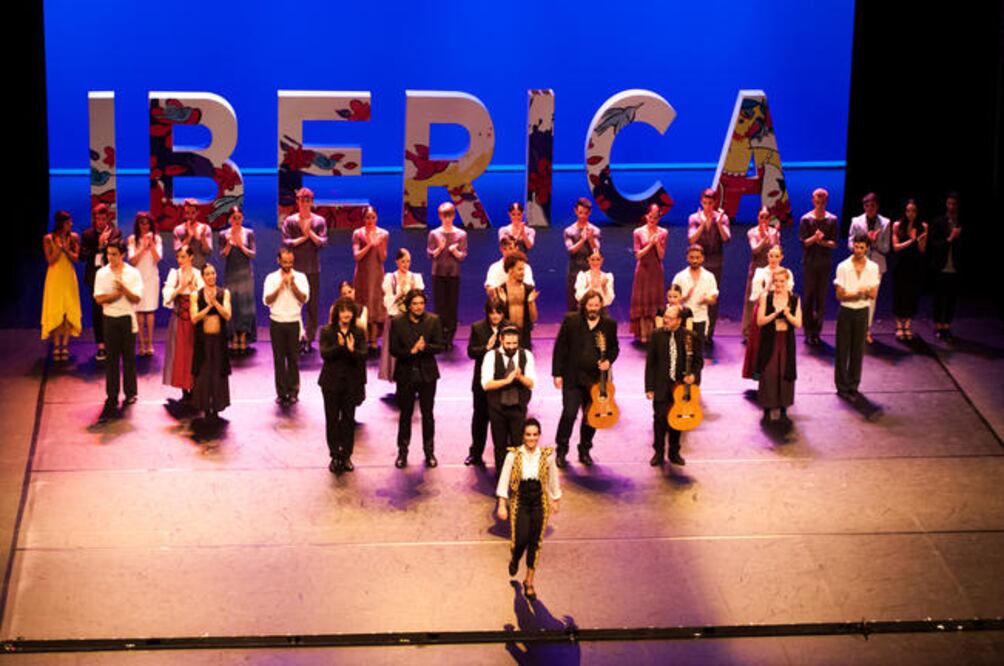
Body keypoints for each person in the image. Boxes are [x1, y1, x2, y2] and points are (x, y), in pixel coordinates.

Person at [495, 418, 561, 602]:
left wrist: (556, 498)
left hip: (539, 500)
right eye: (528, 434)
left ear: (539, 436)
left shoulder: (547, 455)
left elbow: (553, 477)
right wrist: (502, 504)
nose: (531, 438)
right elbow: (504, 479)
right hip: (521, 500)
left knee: (536, 542)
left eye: (534, 434)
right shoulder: (513, 455)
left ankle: (529, 581)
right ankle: (515, 559)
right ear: (523, 436)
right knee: (521, 540)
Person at [551, 290, 619, 468]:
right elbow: (560, 347)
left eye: (596, 305)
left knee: (592, 417)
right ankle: (561, 450)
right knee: (569, 414)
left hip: (596, 381)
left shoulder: (609, 325)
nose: (593, 309)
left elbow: (614, 348)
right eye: (590, 305)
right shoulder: (571, 321)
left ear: (601, 306)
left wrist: (608, 361)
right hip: (572, 378)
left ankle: (585, 450)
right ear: (584, 305)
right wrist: (557, 374)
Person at [389, 289, 445, 468]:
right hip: (405, 374)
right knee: (405, 415)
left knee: (428, 415)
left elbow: (440, 346)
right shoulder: (397, 322)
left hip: (427, 375)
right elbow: (393, 349)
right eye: (415, 304)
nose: (419, 307)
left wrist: (424, 347)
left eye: (421, 303)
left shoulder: (433, 321)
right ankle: (402, 452)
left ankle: (429, 452)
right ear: (408, 306)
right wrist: (411, 351)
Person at [645, 304, 702, 466]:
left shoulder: (690, 336)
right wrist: (649, 388)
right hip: (661, 384)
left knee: (678, 419)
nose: (665, 320)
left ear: (679, 320)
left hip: (680, 387)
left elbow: (698, 361)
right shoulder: (657, 336)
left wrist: (693, 375)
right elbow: (651, 364)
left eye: (669, 318)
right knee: (660, 418)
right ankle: (658, 452)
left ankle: (674, 452)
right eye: (665, 317)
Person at [93, 242, 143, 419]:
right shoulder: (102, 273)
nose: (110, 257)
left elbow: (136, 298)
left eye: (114, 254)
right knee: (111, 359)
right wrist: (116, 295)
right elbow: (99, 299)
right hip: (110, 318)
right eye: (108, 254)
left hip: (127, 318)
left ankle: (130, 393)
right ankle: (112, 394)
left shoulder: (133, 273)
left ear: (122, 255)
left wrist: (124, 289)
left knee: (129, 357)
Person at [318, 297, 368, 473]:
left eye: (349, 310)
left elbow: (363, 355)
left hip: (350, 384)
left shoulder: (359, 332)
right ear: (337, 313)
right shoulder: (327, 331)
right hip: (331, 383)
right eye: (343, 310)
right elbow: (324, 354)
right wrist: (340, 347)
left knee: (348, 420)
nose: (346, 314)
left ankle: (346, 456)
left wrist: (352, 350)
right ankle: (334, 455)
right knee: (332, 420)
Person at [483, 324, 537, 475]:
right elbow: (486, 384)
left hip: (518, 408)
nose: (512, 347)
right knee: (500, 446)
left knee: (518, 445)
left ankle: (518, 479)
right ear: (501, 340)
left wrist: (520, 377)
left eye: (515, 343)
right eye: (508, 343)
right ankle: (501, 479)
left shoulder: (526, 355)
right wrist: (506, 381)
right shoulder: (491, 356)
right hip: (497, 409)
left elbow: (532, 383)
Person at [281, 187, 328, 353]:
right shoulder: (290, 221)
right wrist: (304, 237)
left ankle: (309, 338)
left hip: (312, 268)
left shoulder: (319, 221)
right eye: (302, 199)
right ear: (298, 201)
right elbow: (287, 242)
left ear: (312, 202)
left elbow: (322, 242)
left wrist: (311, 235)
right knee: (294, 303)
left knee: (312, 305)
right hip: (295, 269)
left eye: (308, 200)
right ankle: (297, 337)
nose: (305, 203)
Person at [834, 234, 881, 398]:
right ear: (853, 246)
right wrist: (859, 293)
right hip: (846, 311)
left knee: (857, 350)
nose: (859, 250)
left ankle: (854, 384)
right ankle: (841, 385)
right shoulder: (843, 266)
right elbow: (840, 295)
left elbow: (873, 294)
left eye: (862, 247)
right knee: (842, 349)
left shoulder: (873, 267)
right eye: (856, 246)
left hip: (862, 311)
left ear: (867, 248)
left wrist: (859, 293)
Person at [263, 248, 310, 405]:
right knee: (278, 359)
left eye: (290, 262)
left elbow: (304, 299)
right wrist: (280, 286)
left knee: (293, 359)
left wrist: (293, 285)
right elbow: (267, 300)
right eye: (285, 262)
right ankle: (281, 393)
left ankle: (293, 391)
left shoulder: (301, 277)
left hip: (293, 321)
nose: (288, 265)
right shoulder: (271, 278)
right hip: (276, 321)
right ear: (278, 261)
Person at [756, 268, 802, 424]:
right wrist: (775, 315)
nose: (779, 284)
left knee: (784, 372)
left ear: (787, 281)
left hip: (786, 341)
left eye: (782, 281)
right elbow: (760, 321)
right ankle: (767, 408)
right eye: (776, 281)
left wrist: (788, 314)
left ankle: (784, 408)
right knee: (769, 372)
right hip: (770, 339)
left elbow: (798, 323)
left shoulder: (794, 298)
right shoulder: (766, 297)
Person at [465, 298, 506, 467]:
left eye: (498, 312)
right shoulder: (478, 328)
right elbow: (471, 352)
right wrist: (486, 348)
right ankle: (475, 453)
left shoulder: (510, 328)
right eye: (492, 312)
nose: (495, 316)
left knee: (502, 421)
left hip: (503, 382)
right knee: (480, 419)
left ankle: (504, 456)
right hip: (482, 382)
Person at [687, 188, 731, 346]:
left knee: (712, 298)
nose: (707, 206)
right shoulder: (694, 218)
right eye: (705, 203)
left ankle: (708, 333)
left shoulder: (722, 217)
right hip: (698, 262)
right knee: (695, 296)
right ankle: (693, 331)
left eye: (710, 203)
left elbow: (726, 238)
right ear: (701, 202)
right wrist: (702, 225)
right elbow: (691, 240)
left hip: (715, 262)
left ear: (715, 203)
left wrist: (718, 224)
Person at [742, 246, 793, 380]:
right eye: (771, 256)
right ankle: (757, 373)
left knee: (777, 344)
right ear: (767, 256)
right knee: (761, 344)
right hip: (764, 310)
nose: (773, 259)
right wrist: (769, 283)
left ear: (781, 257)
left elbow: (789, 292)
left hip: (780, 310)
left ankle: (775, 374)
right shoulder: (760, 272)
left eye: (777, 256)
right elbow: (757, 295)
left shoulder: (787, 273)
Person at [162, 245, 204, 402]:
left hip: (194, 319)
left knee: (194, 352)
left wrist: (194, 290)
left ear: (191, 257)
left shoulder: (198, 274)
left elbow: (204, 296)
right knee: (181, 353)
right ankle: (184, 387)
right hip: (179, 319)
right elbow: (167, 296)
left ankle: (195, 385)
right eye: (178, 257)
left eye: (183, 257)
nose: (180, 260)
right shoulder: (175, 274)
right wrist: (180, 288)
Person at [79, 203, 121, 361]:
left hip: (111, 276)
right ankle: (101, 346)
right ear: (94, 219)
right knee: (97, 312)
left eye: (103, 219)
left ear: (108, 218)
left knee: (112, 309)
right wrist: (98, 245)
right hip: (95, 277)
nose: (101, 222)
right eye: (98, 219)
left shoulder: (115, 232)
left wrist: (106, 244)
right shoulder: (88, 234)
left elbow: (117, 253)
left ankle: (112, 344)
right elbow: (82, 257)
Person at [847, 193, 891, 343]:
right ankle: (855, 328)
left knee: (871, 300)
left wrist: (875, 242)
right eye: (867, 205)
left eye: (872, 205)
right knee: (856, 297)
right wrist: (866, 241)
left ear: (877, 206)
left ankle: (866, 330)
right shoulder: (856, 221)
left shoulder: (885, 223)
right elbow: (850, 244)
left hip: (877, 265)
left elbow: (886, 248)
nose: (869, 208)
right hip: (859, 264)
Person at [190, 264, 232, 420]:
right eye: (207, 274)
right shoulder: (196, 295)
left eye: (213, 273)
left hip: (219, 340)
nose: (211, 276)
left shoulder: (224, 293)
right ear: (202, 276)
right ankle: (205, 406)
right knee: (204, 372)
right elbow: (194, 318)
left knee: (217, 372)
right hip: (203, 340)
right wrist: (208, 307)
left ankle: (217, 406)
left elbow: (227, 315)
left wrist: (215, 303)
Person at [798, 188, 838, 345]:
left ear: (826, 201)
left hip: (824, 264)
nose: (820, 204)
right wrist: (815, 238)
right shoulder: (806, 219)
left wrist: (822, 242)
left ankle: (817, 332)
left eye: (822, 201)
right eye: (817, 201)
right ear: (813, 200)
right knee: (808, 298)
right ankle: (808, 331)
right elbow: (804, 243)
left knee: (821, 299)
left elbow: (834, 244)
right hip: (810, 263)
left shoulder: (832, 220)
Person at [41, 210, 82, 361]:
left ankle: (65, 345)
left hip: (68, 277)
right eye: (68, 222)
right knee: (57, 309)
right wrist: (59, 248)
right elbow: (50, 260)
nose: (71, 224)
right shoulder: (48, 239)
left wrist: (66, 249)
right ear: (61, 224)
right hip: (54, 277)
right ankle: (56, 346)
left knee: (67, 311)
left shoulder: (74, 238)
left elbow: (77, 258)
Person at [426, 201, 468, 349]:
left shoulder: (461, 234)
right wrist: (440, 248)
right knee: (439, 306)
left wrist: (455, 251)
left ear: (454, 215)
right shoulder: (434, 233)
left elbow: (463, 255)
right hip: (438, 273)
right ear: (440, 216)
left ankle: (449, 338)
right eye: (444, 215)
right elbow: (430, 254)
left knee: (451, 306)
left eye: (449, 215)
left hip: (453, 274)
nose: (447, 218)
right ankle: (440, 337)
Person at [379, 249, 425, 382]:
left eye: (408, 261)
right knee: (397, 349)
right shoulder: (390, 278)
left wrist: (410, 291)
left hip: (411, 320)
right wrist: (399, 295)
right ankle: (397, 377)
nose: (406, 264)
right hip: (395, 318)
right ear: (397, 262)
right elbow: (387, 301)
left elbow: (419, 299)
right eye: (403, 261)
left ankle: (415, 377)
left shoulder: (415, 278)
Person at [219, 204, 256, 355]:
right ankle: (233, 335)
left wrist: (240, 245)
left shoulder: (249, 233)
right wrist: (229, 243)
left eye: (239, 218)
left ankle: (244, 335)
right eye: (234, 218)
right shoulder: (223, 234)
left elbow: (253, 254)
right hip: (231, 273)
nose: (237, 221)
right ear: (229, 219)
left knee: (244, 304)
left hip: (245, 272)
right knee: (232, 303)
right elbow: (222, 255)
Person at [629, 203, 668, 344]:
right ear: (646, 216)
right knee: (643, 300)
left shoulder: (663, 232)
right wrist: (650, 244)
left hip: (656, 269)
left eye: (656, 218)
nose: (653, 220)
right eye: (651, 217)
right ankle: (642, 333)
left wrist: (657, 244)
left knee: (655, 301)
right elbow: (638, 255)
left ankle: (655, 333)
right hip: (643, 269)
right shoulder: (638, 232)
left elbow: (662, 255)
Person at [352, 206, 389, 351]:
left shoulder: (384, 234)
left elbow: (383, 257)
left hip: (377, 273)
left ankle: (374, 341)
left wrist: (378, 245)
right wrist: (369, 245)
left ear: (377, 218)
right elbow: (357, 256)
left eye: (373, 217)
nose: (370, 220)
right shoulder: (358, 233)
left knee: (375, 304)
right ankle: (363, 339)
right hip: (362, 274)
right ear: (363, 219)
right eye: (367, 217)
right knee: (363, 304)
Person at [742, 207, 781, 342]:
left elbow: (777, 250)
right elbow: (755, 250)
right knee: (752, 300)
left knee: (770, 299)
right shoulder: (752, 232)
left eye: (766, 217)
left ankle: (767, 329)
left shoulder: (774, 232)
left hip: (770, 269)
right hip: (757, 267)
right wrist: (764, 239)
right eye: (761, 217)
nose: (764, 220)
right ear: (758, 218)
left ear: (769, 218)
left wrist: (773, 236)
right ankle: (748, 332)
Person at [891, 199, 928, 341]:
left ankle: (907, 324)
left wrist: (919, 241)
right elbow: (896, 247)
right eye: (908, 210)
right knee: (899, 294)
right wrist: (911, 240)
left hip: (915, 265)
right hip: (900, 264)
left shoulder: (923, 226)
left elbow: (922, 250)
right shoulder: (897, 225)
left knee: (912, 295)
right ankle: (899, 325)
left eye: (913, 211)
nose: (910, 213)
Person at [928, 192, 962, 341]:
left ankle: (947, 325)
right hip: (941, 266)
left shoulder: (961, 222)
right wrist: (950, 239)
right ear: (946, 204)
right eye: (949, 203)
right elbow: (934, 243)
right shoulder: (939, 222)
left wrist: (958, 238)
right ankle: (938, 326)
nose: (951, 206)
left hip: (956, 267)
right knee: (939, 298)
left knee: (952, 299)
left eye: (954, 204)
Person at [127, 211, 162, 357]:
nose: (144, 226)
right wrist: (142, 248)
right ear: (137, 224)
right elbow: (132, 261)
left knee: (150, 311)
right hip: (137, 277)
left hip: (151, 277)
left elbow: (157, 258)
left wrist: (151, 245)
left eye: (146, 223)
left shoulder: (157, 238)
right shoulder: (132, 239)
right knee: (139, 311)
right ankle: (141, 344)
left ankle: (150, 344)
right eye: (141, 223)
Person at [671, 245, 719, 346]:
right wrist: (684, 297)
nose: (695, 260)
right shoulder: (680, 277)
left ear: (702, 258)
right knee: (682, 350)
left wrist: (706, 299)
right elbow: (672, 299)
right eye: (692, 257)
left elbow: (713, 299)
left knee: (698, 352)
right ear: (687, 258)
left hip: (700, 319)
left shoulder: (709, 277)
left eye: (697, 257)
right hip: (682, 319)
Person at [563, 197, 601, 312]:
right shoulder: (569, 231)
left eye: (585, 213)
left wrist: (590, 238)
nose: (582, 216)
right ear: (576, 211)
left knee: (590, 303)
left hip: (590, 271)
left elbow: (597, 250)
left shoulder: (595, 230)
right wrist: (582, 239)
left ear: (589, 213)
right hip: (574, 270)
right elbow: (571, 250)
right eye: (580, 213)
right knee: (573, 305)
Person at [496, 253, 539, 349]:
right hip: (505, 335)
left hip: (524, 336)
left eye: (523, 269)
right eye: (520, 269)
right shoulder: (501, 290)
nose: (523, 272)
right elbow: (496, 320)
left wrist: (530, 303)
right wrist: (503, 302)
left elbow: (534, 318)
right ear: (510, 270)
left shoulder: (529, 290)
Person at [172, 198, 213, 271]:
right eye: (187, 213)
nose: (190, 216)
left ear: (198, 212)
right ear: (184, 213)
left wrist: (203, 238)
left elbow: (208, 252)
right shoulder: (178, 230)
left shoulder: (205, 228)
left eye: (193, 212)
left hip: (200, 269)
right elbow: (178, 253)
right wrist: (189, 237)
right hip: (184, 270)